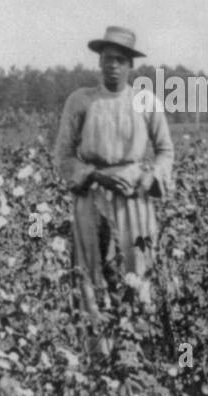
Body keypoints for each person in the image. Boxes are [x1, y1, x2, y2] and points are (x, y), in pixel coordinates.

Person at [52, 26, 175, 332]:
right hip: (92, 196)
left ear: (130, 65)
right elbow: (63, 156)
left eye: (120, 59)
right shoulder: (81, 101)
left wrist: (151, 178)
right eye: (107, 58)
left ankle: (139, 342)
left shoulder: (145, 101)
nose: (113, 65)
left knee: (138, 266)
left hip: (134, 199)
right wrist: (93, 175)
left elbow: (165, 151)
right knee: (93, 267)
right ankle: (99, 350)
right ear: (99, 62)